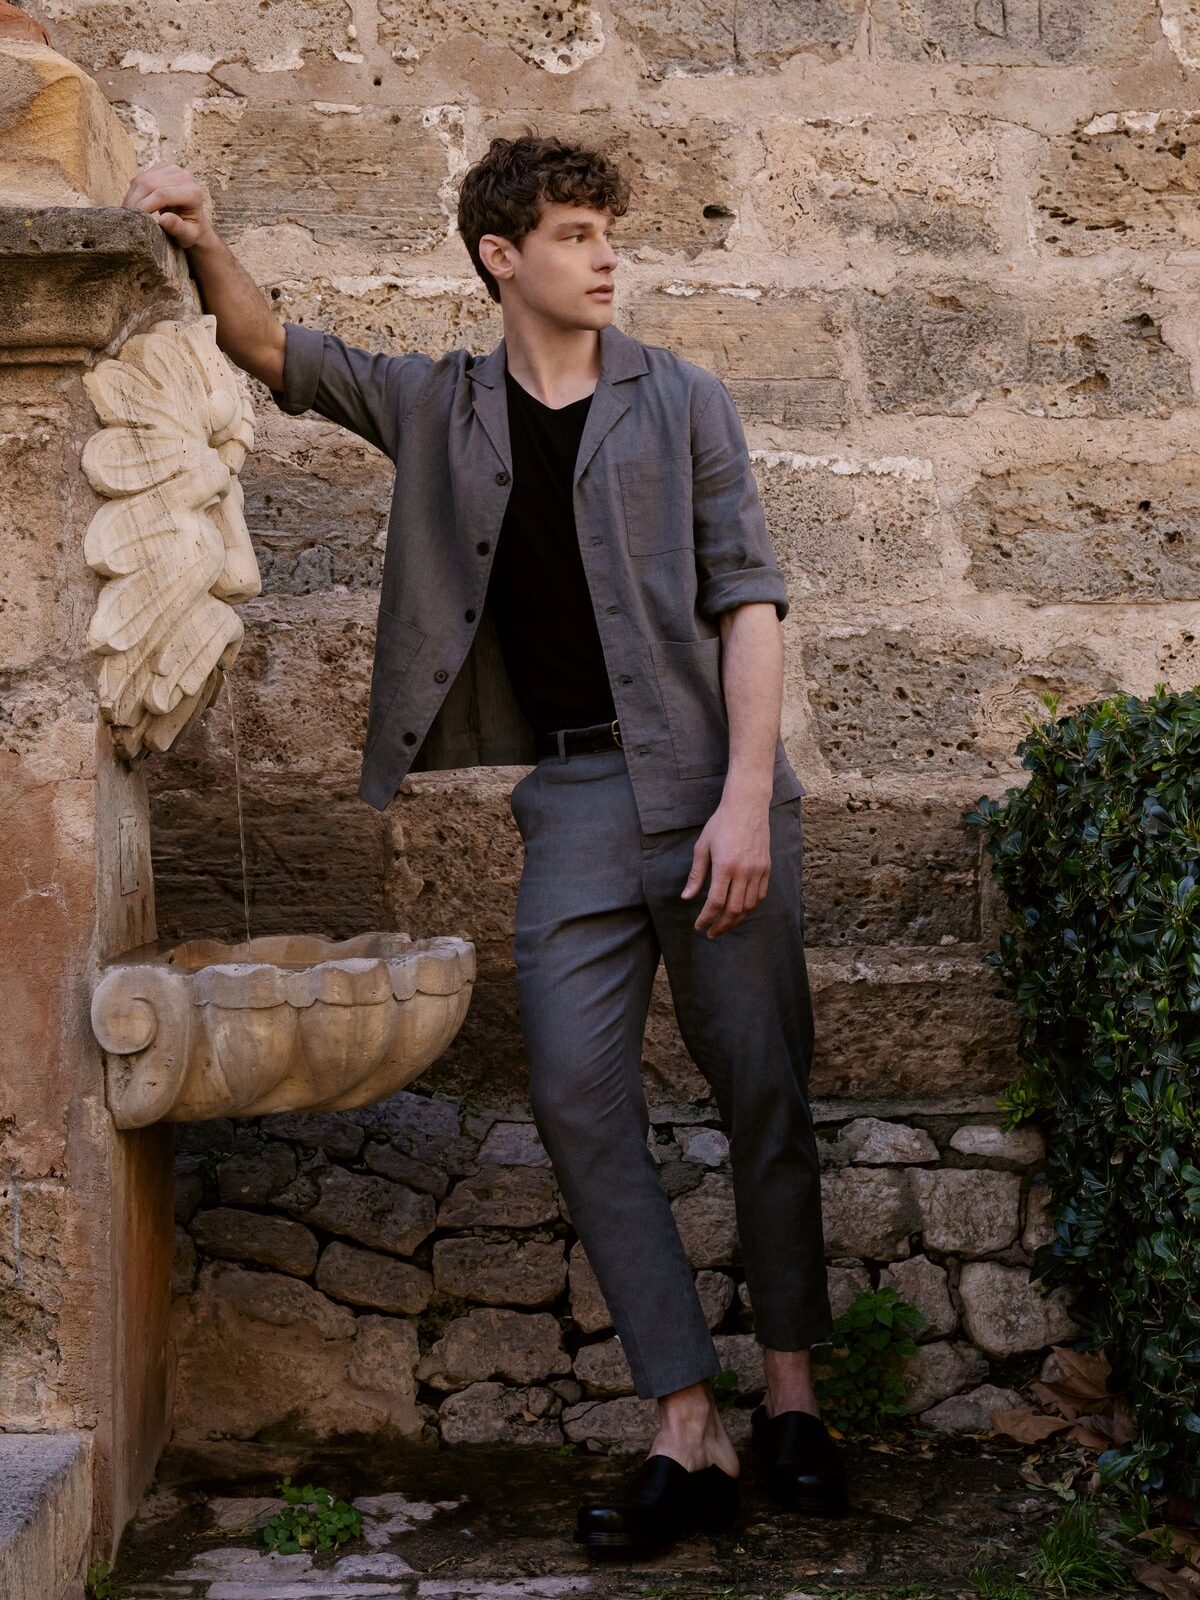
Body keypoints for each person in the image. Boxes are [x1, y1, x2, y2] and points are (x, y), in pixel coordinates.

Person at [121, 128, 850, 1554]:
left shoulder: (684, 399)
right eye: (578, 235)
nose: (606, 257)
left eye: (608, 234)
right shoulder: (439, 405)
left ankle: (795, 1400)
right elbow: (280, 352)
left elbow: (749, 601)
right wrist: (205, 236)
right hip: (573, 803)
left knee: (762, 1091)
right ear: (501, 258)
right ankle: (683, 1425)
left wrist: (750, 798)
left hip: (714, 788)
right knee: (580, 1098)